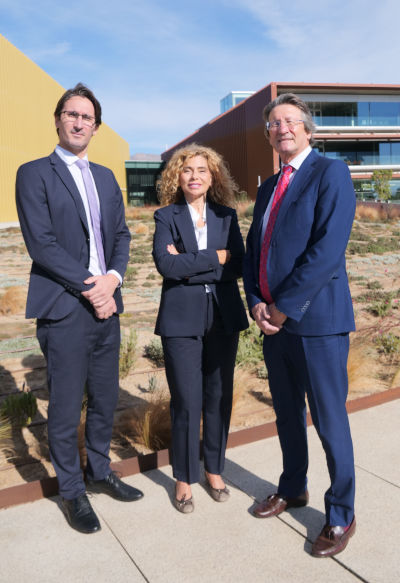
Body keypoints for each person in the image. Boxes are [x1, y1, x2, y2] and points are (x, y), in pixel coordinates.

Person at [16, 83, 143, 534]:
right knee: (66, 406)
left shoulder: (106, 177)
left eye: (87, 117)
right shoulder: (34, 173)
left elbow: (121, 236)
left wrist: (114, 280)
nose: (78, 122)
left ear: (96, 127)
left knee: (105, 398)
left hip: (107, 307)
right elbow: (42, 245)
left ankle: (99, 471)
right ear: (57, 120)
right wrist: (94, 287)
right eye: (71, 114)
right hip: (65, 308)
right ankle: (72, 491)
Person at [243, 93, 356, 557]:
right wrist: (256, 302)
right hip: (275, 324)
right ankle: (293, 487)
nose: (282, 128)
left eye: (290, 120)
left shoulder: (331, 173)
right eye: (274, 123)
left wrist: (285, 307)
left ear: (307, 129)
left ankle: (341, 514)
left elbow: (327, 250)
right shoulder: (268, 188)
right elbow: (255, 250)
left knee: (329, 421)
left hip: (318, 322)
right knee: (287, 414)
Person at [152, 143, 248, 513]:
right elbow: (166, 266)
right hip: (180, 320)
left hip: (224, 316)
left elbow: (238, 265)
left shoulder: (227, 216)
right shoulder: (166, 216)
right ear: (177, 176)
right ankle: (183, 476)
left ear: (213, 177)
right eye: (188, 170)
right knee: (186, 400)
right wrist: (214, 258)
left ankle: (214, 469)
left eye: (202, 170)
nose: (195, 176)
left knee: (218, 398)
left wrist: (190, 262)